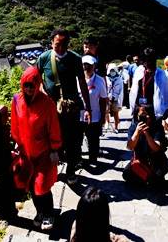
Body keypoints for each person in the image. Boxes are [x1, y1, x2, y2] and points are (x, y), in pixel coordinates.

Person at [37, 29, 91, 185]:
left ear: (69, 44)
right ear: (52, 43)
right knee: (52, 140)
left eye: (64, 44)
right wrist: (41, 93)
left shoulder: (75, 59)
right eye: (57, 44)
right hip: (50, 109)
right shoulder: (44, 58)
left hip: (70, 109)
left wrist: (88, 107)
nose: (60, 48)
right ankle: (55, 169)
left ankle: (71, 171)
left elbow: (82, 83)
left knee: (73, 141)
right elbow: (35, 77)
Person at [10, 66, 62, 231]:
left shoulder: (47, 103)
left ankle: (49, 214)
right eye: (26, 85)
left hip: (43, 153)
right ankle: (40, 212)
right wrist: (17, 141)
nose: (29, 89)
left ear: (38, 84)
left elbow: (54, 127)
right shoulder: (17, 100)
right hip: (26, 153)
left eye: (33, 85)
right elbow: (15, 124)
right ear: (22, 84)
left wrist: (54, 149)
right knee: (32, 186)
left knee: (42, 185)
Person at [123, 105, 168, 186]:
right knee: (126, 175)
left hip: (156, 160)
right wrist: (136, 133)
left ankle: (148, 178)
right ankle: (145, 178)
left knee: (156, 180)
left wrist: (147, 134)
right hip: (140, 160)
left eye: (146, 115)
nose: (144, 118)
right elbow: (130, 147)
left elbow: (156, 148)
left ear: (151, 116)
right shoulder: (134, 127)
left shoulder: (157, 127)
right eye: (141, 116)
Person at [129, 48, 168, 122]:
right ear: (143, 62)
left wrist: (166, 108)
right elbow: (133, 91)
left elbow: (166, 92)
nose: (150, 64)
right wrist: (133, 108)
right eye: (148, 61)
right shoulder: (139, 71)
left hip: (154, 111)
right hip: (139, 110)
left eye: (152, 61)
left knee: (156, 132)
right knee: (134, 132)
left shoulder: (160, 74)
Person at [82, 55, 108, 164]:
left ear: (94, 66)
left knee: (93, 139)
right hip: (80, 116)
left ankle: (93, 158)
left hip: (95, 116)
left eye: (89, 65)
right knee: (78, 139)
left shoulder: (99, 80)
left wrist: (103, 117)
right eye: (84, 65)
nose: (86, 67)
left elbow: (103, 100)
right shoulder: (77, 79)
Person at [105, 63, 123, 133]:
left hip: (115, 99)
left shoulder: (119, 80)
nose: (112, 72)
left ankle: (116, 127)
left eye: (113, 70)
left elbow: (121, 91)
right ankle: (107, 123)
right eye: (111, 70)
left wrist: (119, 100)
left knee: (116, 113)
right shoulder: (106, 79)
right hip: (108, 98)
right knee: (106, 112)